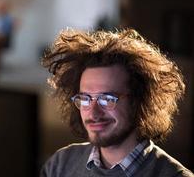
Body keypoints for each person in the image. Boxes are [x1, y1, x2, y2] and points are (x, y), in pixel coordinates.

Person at [40, 28, 194, 177]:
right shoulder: (60, 164)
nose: (93, 113)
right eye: (85, 99)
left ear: (139, 100)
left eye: (106, 99)